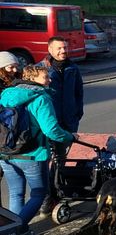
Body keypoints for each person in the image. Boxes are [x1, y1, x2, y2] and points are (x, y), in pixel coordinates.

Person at [0, 65, 77, 231]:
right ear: (32, 79)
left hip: (6, 152)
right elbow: (51, 130)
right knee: (38, 194)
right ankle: (15, 229)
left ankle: (16, 229)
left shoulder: (6, 94)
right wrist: (70, 137)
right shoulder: (40, 97)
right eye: (45, 77)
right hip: (32, 154)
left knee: (15, 193)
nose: (49, 80)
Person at [37, 36, 83, 215]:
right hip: (47, 124)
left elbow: (79, 93)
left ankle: (56, 197)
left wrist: (77, 114)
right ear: (50, 50)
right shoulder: (41, 69)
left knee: (60, 162)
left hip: (68, 123)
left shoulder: (73, 68)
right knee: (44, 162)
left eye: (65, 48)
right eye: (59, 48)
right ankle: (46, 198)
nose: (63, 51)